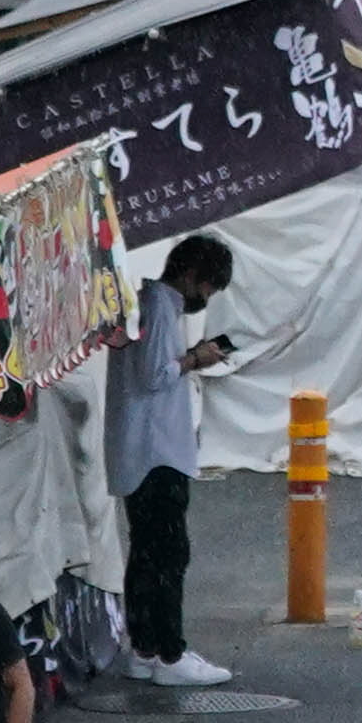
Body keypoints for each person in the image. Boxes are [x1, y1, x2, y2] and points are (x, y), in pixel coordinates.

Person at [106, 233, 238, 688]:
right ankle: (169, 652)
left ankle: (142, 649)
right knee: (168, 554)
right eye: (209, 286)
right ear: (191, 275)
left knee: (144, 553)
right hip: (158, 453)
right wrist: (195, 359)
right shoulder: (162, 307)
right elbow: (155, 375)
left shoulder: (143, 300)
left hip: (136, 450)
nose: (207, 297)